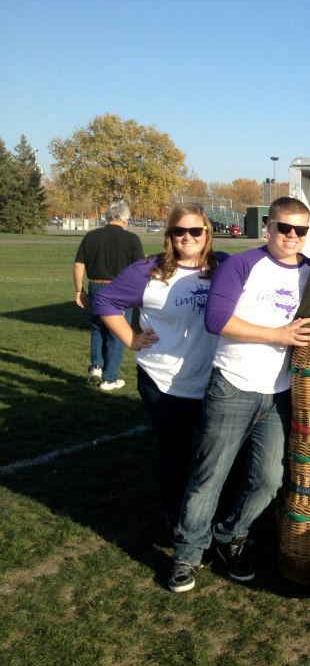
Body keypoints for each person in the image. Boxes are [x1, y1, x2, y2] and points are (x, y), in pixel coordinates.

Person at [168, 196, 310, 592]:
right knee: (209, 476)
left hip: (280, 392)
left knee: (268, 479)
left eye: (300, 230)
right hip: (234, 385)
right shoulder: (243, 264)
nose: (292, 236)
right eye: (285, 228)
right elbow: (217, 319)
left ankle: (230, 536)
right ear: (269, 228)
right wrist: (278, 335)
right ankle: (188, 554)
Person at [93, 205, 227, 531]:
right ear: (170, 235)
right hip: (161, 379)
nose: (187, 237)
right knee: (175, 453)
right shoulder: (148, 270)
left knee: (217, 456)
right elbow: (105, 301)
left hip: (214, 378)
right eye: (179, 231)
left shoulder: (222, 265)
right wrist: (130, 337)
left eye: (195, 231)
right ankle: (176, 518)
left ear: (207, 233)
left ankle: (215, 518)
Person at [73, 201, 144, 390]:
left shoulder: (91, 236)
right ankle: (110, 379)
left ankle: (96, 367)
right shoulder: (132, 239)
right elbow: (139, 270)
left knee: (98, 329)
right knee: (117, 333)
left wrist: (79, 290)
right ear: (123, 219)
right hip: (121, 289)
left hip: (96, 285)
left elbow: (79, 265)